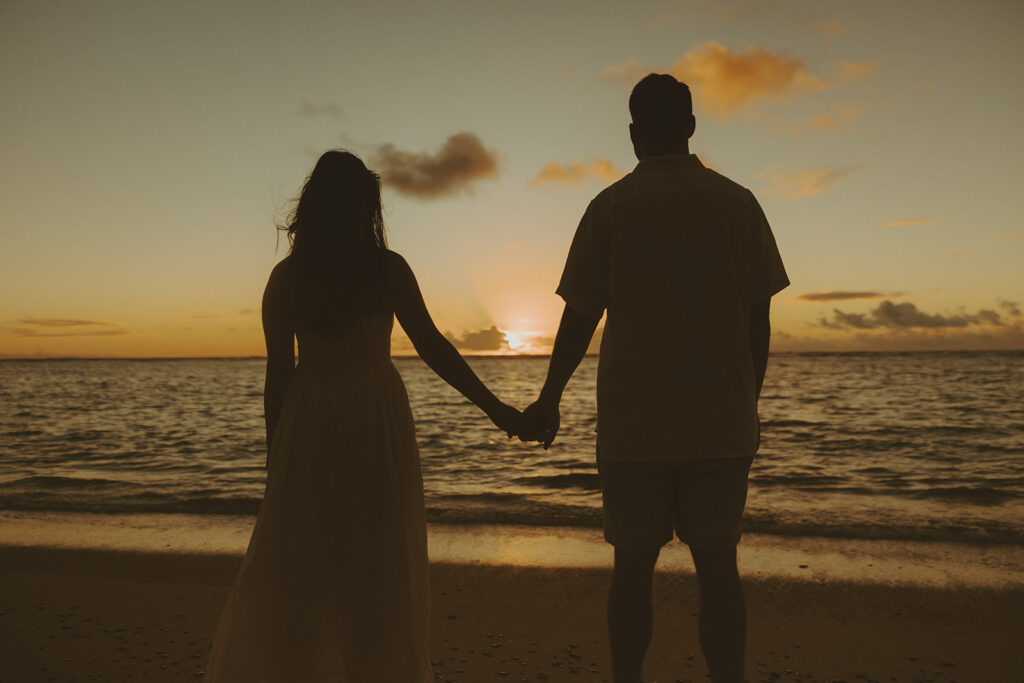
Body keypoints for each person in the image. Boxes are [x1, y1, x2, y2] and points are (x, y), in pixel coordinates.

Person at [205, 150, 521, 682]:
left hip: (310, 423)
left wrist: (275, 453)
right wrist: (499, 411)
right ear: (362, 208)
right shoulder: (385, 270)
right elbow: (433, 349)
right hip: (375, 418)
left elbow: (279, 375)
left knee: (303, 564)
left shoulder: (287, 279)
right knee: (377, 566)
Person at [518, 74, 789, 683]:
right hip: (720, 419)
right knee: (719, 567)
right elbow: (759, 316)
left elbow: (580, 314)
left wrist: (550, 397)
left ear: (635, 133)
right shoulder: (737, 202)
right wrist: (748, 398)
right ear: (690, 127)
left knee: (632, 569)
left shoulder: (611, 206)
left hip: (634, 423)